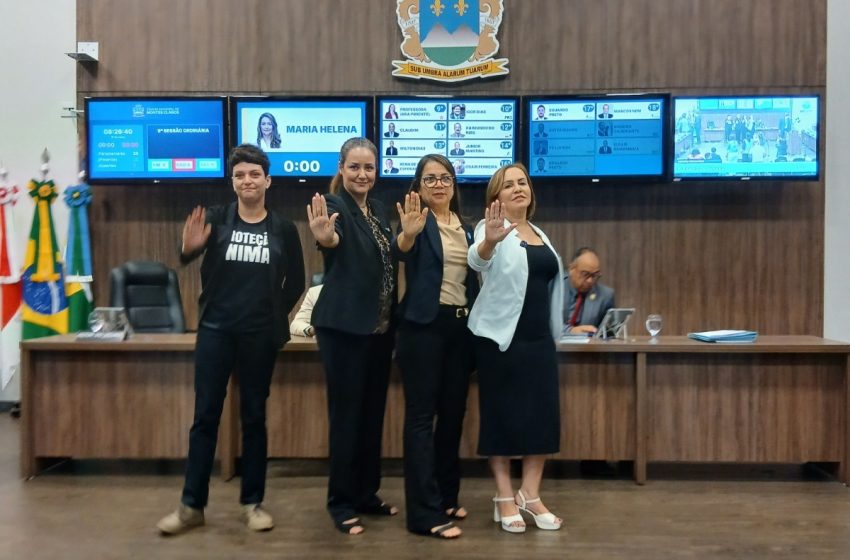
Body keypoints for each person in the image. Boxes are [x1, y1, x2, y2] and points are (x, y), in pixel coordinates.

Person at [157, 144, 305, 535]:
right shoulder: (218, 220)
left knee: (254, 418)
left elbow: (297, 283)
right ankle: (191, 506)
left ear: (268, 180)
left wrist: (275, 317)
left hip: (259, 337)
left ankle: (252, 504)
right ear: (233, 182)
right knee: (205, 417)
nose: (247, 180)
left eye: (254, 174)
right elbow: (189, 254)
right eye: (240, 175)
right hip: (216, 332)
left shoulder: (284, 229)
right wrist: (187, 249)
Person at [306, 137, 398, 536]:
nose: (363, 174)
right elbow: (331, 241)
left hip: (379, 329)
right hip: (344, 328)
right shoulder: (334, 206)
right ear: (342, 169)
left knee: (371, 415)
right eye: (355, 167)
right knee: (347, 418)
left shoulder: (377, 209)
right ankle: (340, 502)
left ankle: (365, 493)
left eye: (370, 168)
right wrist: (325, 237)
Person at [467, 162, 564, 534]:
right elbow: (478, 260)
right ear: (496, 198)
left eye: (523, 183)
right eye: (509, 185)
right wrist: (491, 239)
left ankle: (530, 493)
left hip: (540, 341)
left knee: (542, 417)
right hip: (501, 341)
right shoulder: (489, 228)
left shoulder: (539, 232)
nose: (518, 189)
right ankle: (504, 497)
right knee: (503, 419)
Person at [392, 154, 480, 539]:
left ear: (454, 184)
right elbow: (402, 250)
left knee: (453, 417)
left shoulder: (471, 228)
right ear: (419, 187)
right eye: (430, 179)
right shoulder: (416, 222)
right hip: (422, 330)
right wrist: (408, 233)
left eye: (445, 178)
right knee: (420, 420)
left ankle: (446, 496)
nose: (439, 184)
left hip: (461, 330)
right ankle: (423, 514)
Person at [563, 247, 615, 335]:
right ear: (571, 268)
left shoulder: (605, 295)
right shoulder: (554, 288)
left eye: (595, 275)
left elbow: (608, 333)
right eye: (585, 274)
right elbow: (545, 323)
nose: (590, 280)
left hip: (588, 347)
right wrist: (569, 331)